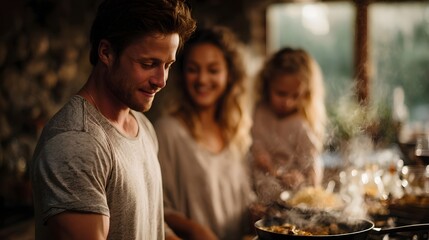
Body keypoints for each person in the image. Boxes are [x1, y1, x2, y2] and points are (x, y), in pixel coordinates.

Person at [30, 0, 196, 239]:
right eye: (148, 64)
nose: (161, 81)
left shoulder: (142, 126)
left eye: (168, 65)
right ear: (106, 52)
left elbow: (146, 224)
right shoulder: (76, 143)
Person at [154, 26, 255, 240]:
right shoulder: (167, 132)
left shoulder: (236, 131)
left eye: (213, 70)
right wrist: (193, 229)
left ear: (229, 75)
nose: (202, 80)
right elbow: (155, 207)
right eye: (193, 69)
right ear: (182, 74)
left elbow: (241, 200)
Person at [250, 47, 327, 198]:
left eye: (295, 96)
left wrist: (301, 179)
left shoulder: (302, 125)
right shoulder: (258, 112)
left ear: (306, 94)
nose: (287, 102)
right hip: (254, 199)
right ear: (267, 86)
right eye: (281, 94)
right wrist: (256, 154)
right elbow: (247, 146)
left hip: (289, 203)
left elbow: (313, 170)